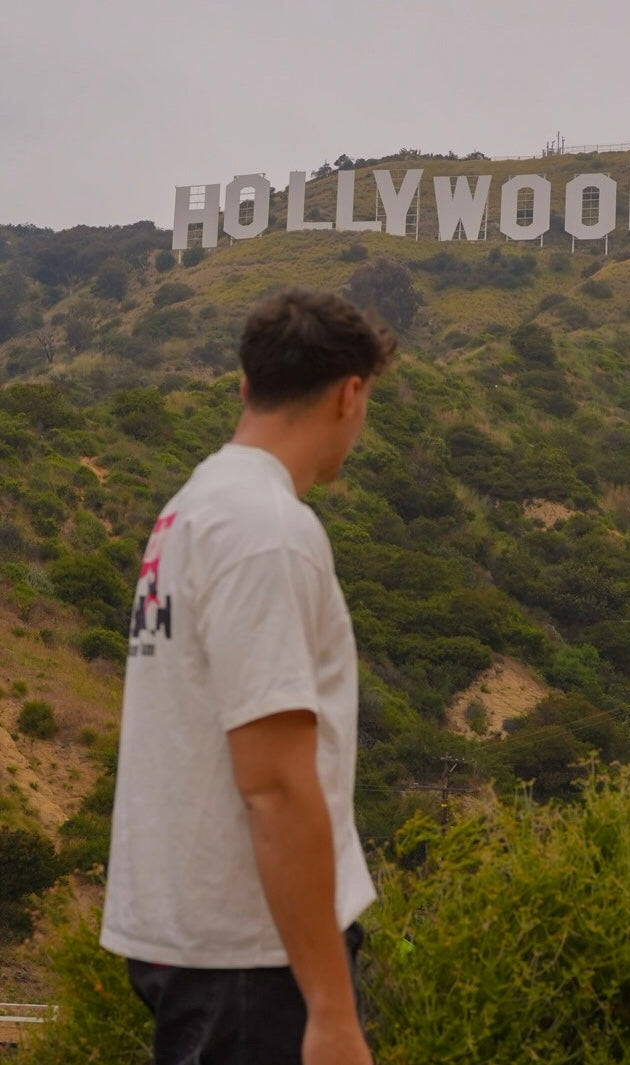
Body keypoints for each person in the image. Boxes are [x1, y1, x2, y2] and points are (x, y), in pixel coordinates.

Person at [100, 288, 396, 1065]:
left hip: (199, 938)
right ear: (350, 393)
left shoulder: (192, 508)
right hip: (255, 959)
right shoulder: (269, 531)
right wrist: (330, 1009)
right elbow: (273, 780)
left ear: (245, 386)